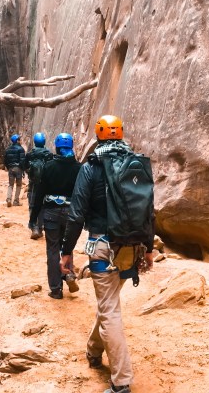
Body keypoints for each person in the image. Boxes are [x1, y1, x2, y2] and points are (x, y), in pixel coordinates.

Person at [60, 115, 154, 393]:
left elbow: (76, 215)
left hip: (102, 247)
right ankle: (93, 350)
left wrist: (66, 252)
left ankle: (121, 380)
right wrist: (148, 248)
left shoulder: (91, 167)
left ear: (98, 135)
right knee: (109, 303)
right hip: (132, 247)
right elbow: (149, 209)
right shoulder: (136, 164)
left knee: (109, 309)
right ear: (120, 134)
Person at [29, 133, 81, 299]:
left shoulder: (49, 166)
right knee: (68, 246)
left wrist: (33, 217)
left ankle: (56, 289)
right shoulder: (78, 168)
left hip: (51, 212)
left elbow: (39, 193)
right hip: (71, 212)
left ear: (57, 148)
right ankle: (69, 273)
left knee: (52, 250)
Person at [23, 132, 54, 240]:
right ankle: (40, 228)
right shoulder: (49, 154)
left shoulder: (30, 154)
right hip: (45, 186)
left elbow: (25, 167)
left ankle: (34, 227)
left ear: (35, 142)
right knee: (42, 206)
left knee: (32, 205)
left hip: (33, 184)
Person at [3, 134, 25, 207]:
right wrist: (23, 169)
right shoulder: (21, 149)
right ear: (17, 140)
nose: (20, 141)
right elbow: (22, 161)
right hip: (18, 168)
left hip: (10, 168)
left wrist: (8, 167)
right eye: (19, 139)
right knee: (18, 185)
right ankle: (16, 201)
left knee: (10, 185)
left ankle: (9, 199)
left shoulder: (8, 149)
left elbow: (5, 160)